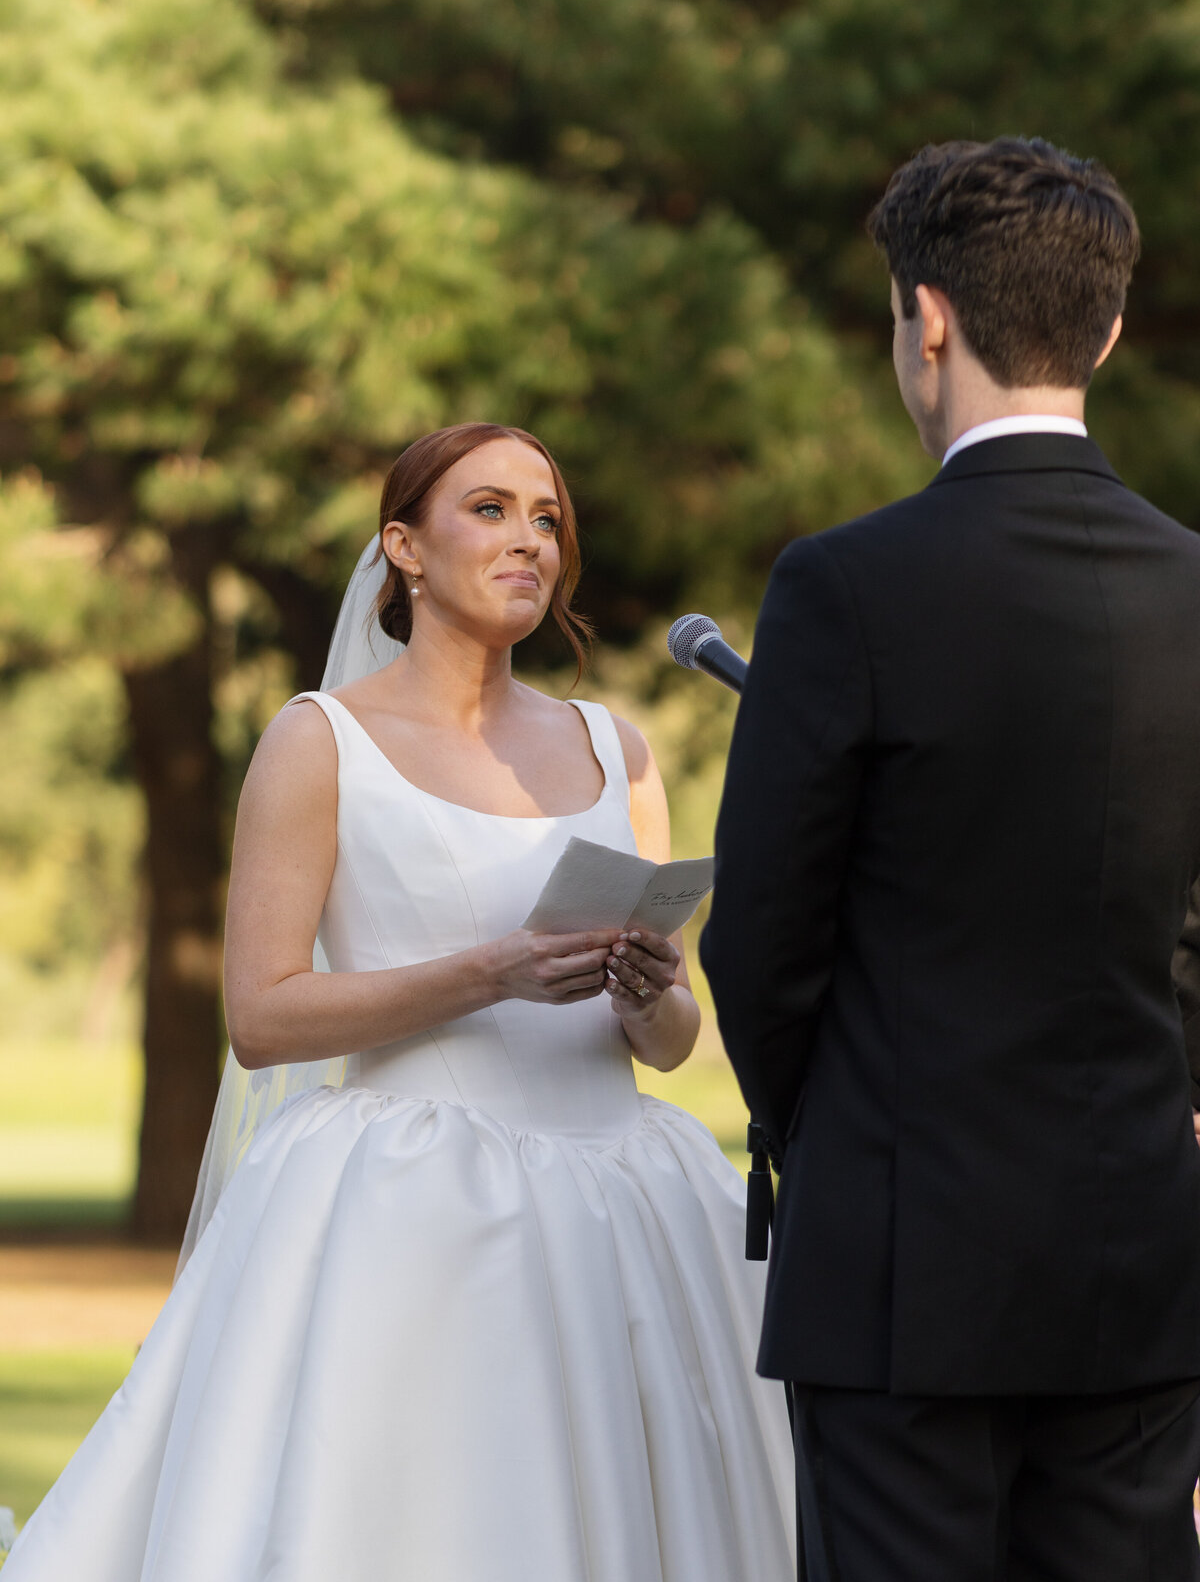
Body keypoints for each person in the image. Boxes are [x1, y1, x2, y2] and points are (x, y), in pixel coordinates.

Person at [6, 423, 794, 1580]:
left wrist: (652, 992)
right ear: (403, 548)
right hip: (412, 1209)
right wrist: (494, 969)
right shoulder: (319, 742)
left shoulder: (616, 750)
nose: (530, 536)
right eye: (489, 509)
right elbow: (263, 1015)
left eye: (548, 516)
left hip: (621, 1201)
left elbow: (673, 1048)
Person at [701, 137, 1200, 1582]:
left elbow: (764, 942)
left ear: (926, 319)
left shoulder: (844, 583)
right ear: (1104, 329)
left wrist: (844, 1134)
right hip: (1140, 1250)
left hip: (901, 1257)